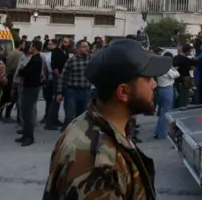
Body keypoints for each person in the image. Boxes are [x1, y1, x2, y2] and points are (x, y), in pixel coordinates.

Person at [43, 38, 171, 199]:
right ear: (123, 92)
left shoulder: (92, 124)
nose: (154, 84)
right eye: (148, 78)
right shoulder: (101, 167)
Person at [55, 40, 91, 129]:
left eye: (87, 46)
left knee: (83, 117)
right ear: (78, 49)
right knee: (69, 116)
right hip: (72, 92)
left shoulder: (92, 60)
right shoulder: (71, 61)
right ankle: (65, 136)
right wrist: (59, 92)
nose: (87, 48)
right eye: (84, 47)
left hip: (86, 91)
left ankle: (78, 137)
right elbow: (63, 77)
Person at [16, 39, 44, 146]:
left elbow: (26, 71)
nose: (29, 48)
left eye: (31, 46)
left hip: (31, 88)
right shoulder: (34, 58)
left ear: (35, 48)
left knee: (27, 113)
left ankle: (29, 137)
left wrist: (21, 71)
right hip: (29, 87)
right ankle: (25, 134)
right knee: (24, 112)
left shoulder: (36, 59)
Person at [154, 53, 179, 139]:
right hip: (167, 90)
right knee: (166, 113)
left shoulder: (158, 67)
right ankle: (162, 134)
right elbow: (176, 74)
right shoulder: (167, 68)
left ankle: (157, 131)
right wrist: (173, 68)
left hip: (160, 89)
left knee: (162, 112)